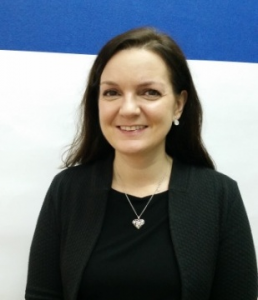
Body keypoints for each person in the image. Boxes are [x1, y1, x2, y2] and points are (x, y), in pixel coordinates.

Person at [25, 27, 257, 300]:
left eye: (149, 92)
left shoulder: (219, 196)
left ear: (179, 104)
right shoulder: (68, 190)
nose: (128, 109)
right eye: (112, 93)